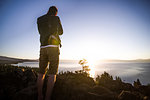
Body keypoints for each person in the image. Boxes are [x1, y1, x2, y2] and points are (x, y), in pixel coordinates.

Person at [37, 6, 63, 100]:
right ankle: (47, 98)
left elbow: (41, 32)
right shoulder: (56, 18)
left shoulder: (39, 19)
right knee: (52, 74)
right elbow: (61, 32)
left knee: (41, 73)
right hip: (53, 47)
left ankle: (40, 96)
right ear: (55, 12)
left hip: (43, 47)